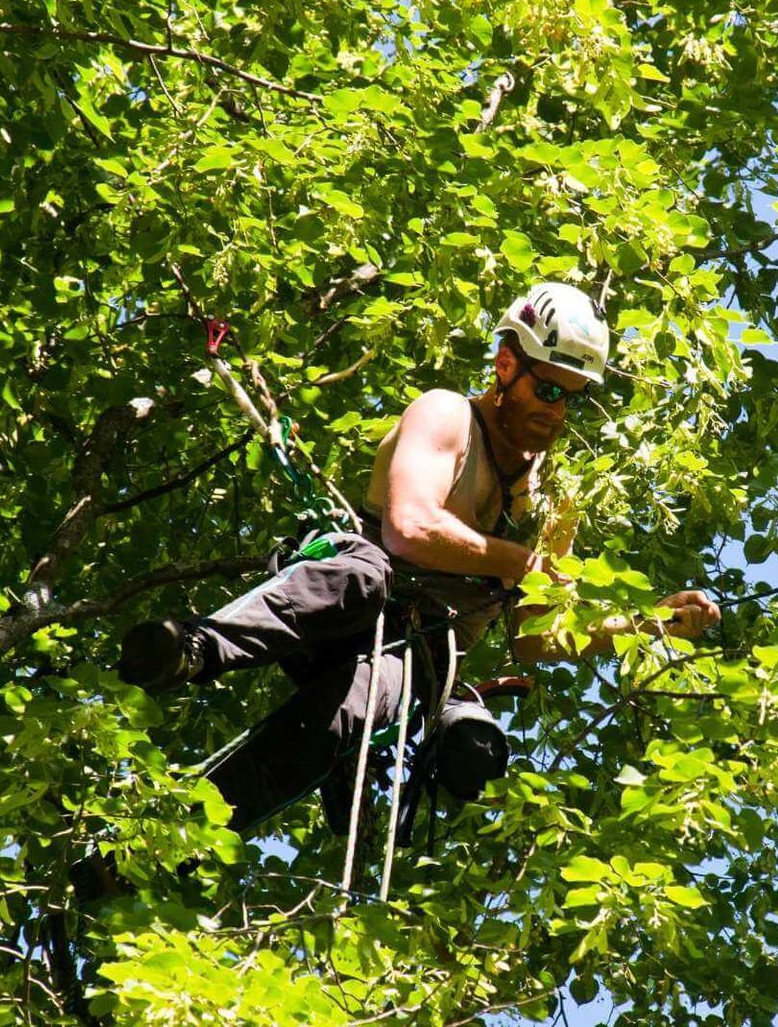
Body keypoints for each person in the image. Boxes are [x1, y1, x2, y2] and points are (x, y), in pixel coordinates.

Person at [118, 281, 720, 834]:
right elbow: (408, 530)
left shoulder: (557, 502)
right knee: (367, 576)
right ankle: (194, 649)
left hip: (417, 651)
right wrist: (521, 563)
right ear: (506, 367)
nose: (558, 411)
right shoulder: (448, 414)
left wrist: (648, 624)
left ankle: (179, 838)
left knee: (345, 718)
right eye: (548, 389)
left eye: (575, 401)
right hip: (338, 596)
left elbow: (535, 639)